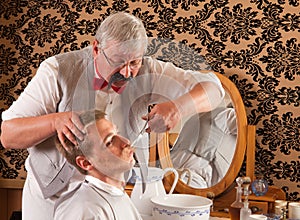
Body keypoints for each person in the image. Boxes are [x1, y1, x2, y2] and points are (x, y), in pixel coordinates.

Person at [0, 12, 225, 220]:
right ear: (96, 48)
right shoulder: (57, 70)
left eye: (134, 63)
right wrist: (54, 121)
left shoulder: (149, 71)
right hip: (50, 197)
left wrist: (178, 108)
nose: (127, 73)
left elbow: (214, 89)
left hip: (109, 195)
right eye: (118, 62)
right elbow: (8, 136)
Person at [53, 109, 141, 219]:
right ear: (86, 163)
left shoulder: (117, 195)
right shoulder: (85, 211)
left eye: (117, 133)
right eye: (109, 142)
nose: (126, 142)